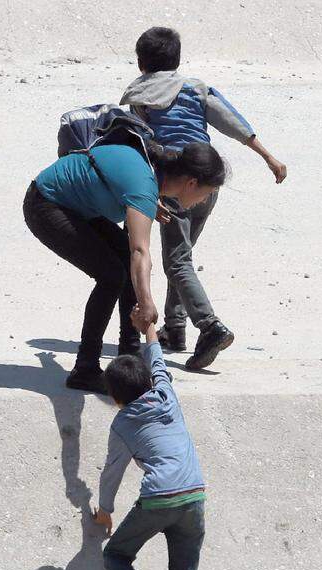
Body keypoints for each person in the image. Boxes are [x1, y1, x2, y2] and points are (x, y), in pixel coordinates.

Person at [121, 26, 289, 370]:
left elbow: (136, 144)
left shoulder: (140, 94)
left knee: (176, 260)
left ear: (141, 63)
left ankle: (209, 326)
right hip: (209, 182)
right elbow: (232, 121)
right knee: (180, 255)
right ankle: (176, 329)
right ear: (177, 60)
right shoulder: (195, 88)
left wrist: (147, 193)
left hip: (177, 184)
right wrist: (268, 156)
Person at [24, 141, 227, 392]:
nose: (203, 200)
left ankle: (130, 361)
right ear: (191, 183)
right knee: (111, 275)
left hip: (77, 206)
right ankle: (85, 369)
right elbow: (140, 251)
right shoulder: (144, 188)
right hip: (45, 204)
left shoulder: (151, 177)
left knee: (121, 262)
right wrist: (147, 302)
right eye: (207, 193)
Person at [92, 309, 207, 570]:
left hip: (159, 497)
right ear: (148, 381)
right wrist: (149, 328)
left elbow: (112, 473)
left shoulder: (123, 422)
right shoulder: (166, 393)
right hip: (195, 495)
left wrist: (105, 511)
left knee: (116, 554)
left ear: (115, 399)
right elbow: (157, 359)